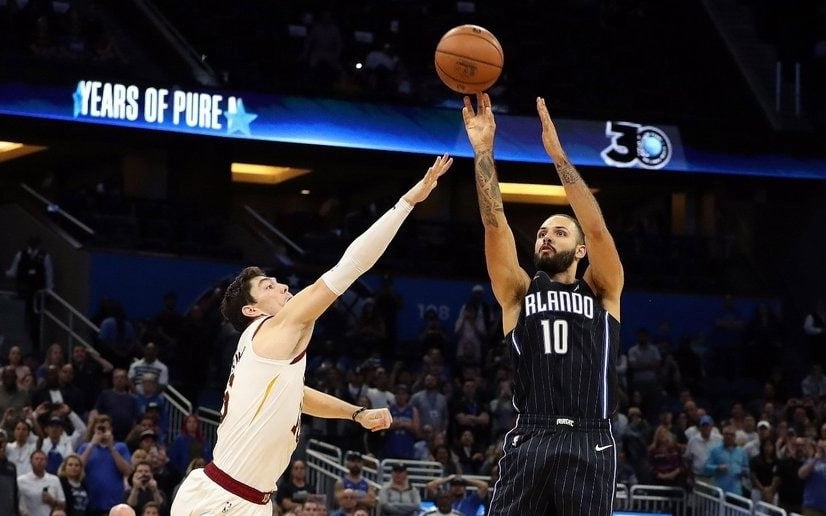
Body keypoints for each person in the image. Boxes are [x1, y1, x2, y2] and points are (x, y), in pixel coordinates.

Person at [170, 155, 448, 516]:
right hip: (222, 498)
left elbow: (296, 396)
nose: (282, 285)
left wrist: (356, 413)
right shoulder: (277, 328)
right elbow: (351, 266)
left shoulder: (266, 348)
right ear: (252, 310)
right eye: (268, 286)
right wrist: (406, 203)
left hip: (248, 500)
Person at [461, 94, 625, 516]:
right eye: (540, 232)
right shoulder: (518, 291)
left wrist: (558, 157)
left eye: (559, 232)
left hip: (590, 438)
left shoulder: (603, 289)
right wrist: (483, 153)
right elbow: (494, 223)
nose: (546, 237)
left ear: (581, 250)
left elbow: (598, 226)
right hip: (532, 433)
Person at [18, 450, 65, 516]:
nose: (39, 461)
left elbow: (63, 505)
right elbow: (14, 502)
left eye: (42, 459)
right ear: (30, 462)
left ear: (46, 462)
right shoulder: (21, 480)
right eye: (36, 459)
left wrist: (52, 501)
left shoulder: (54, 480)